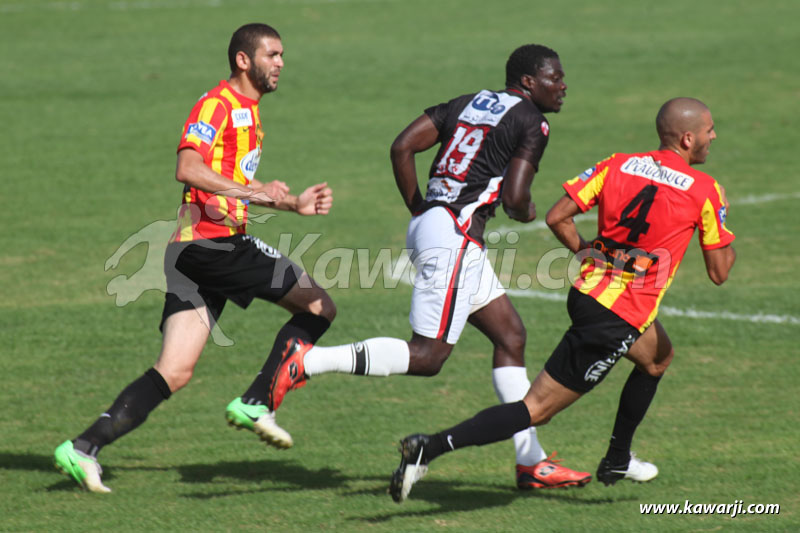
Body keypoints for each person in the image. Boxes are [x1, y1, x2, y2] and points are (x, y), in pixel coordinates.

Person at [267, 44, 589, 491]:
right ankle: (309, 360)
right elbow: (515, 198)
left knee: (510, 336)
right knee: (428, 356)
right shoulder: (533, 120)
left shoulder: (470, 101)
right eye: (556, 78)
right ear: (530, 83)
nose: (563, 85)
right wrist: (525, 211)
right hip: (454, 234)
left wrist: (420, 207)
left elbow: (402, 145)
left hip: (439, 227)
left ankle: (530, 461)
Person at [388, 97, 737, 503]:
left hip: (588, 294)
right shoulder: (705, 190)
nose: (714, 136)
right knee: (535, 409)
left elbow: (557, 216)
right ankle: (428, 447)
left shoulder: (617, 164)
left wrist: (589, 254)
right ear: (687, 137)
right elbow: (719, 272)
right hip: (616, 316)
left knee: (657, 358)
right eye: (710, 130)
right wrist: (724, 219)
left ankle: (619, 458)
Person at [54, 23, 336, 493]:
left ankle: (83, 447)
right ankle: (256, 401)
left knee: (175, 371)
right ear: (245, 60)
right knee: (319, 306)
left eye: (283, 54)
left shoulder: (251, 111)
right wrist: (262, 195)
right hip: (214, 244)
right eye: (273, 54)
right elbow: (187, 167)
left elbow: (229, 182)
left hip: (194, 252)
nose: (281, 63)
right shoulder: (217, 104)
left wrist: (284, 202)